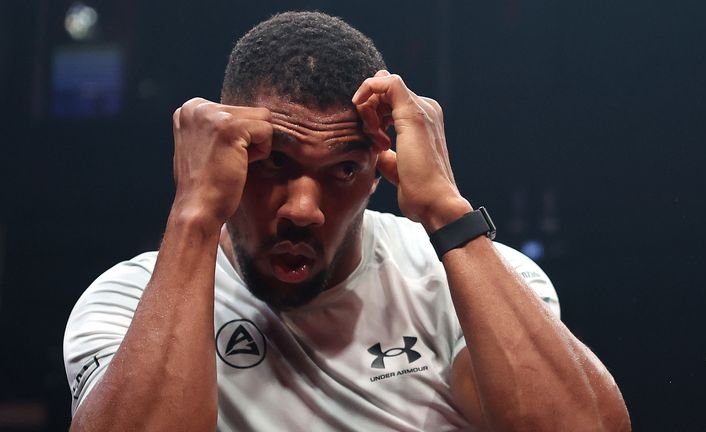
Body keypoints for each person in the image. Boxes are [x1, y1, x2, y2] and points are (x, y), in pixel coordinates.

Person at [63, 11, 630, 432]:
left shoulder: (464, 281)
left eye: (342, 169)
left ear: (378, 172)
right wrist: (193, 213)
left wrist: (447, 212)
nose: (303, 209)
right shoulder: (128, 301)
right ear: (225, 158)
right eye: (275, 162)